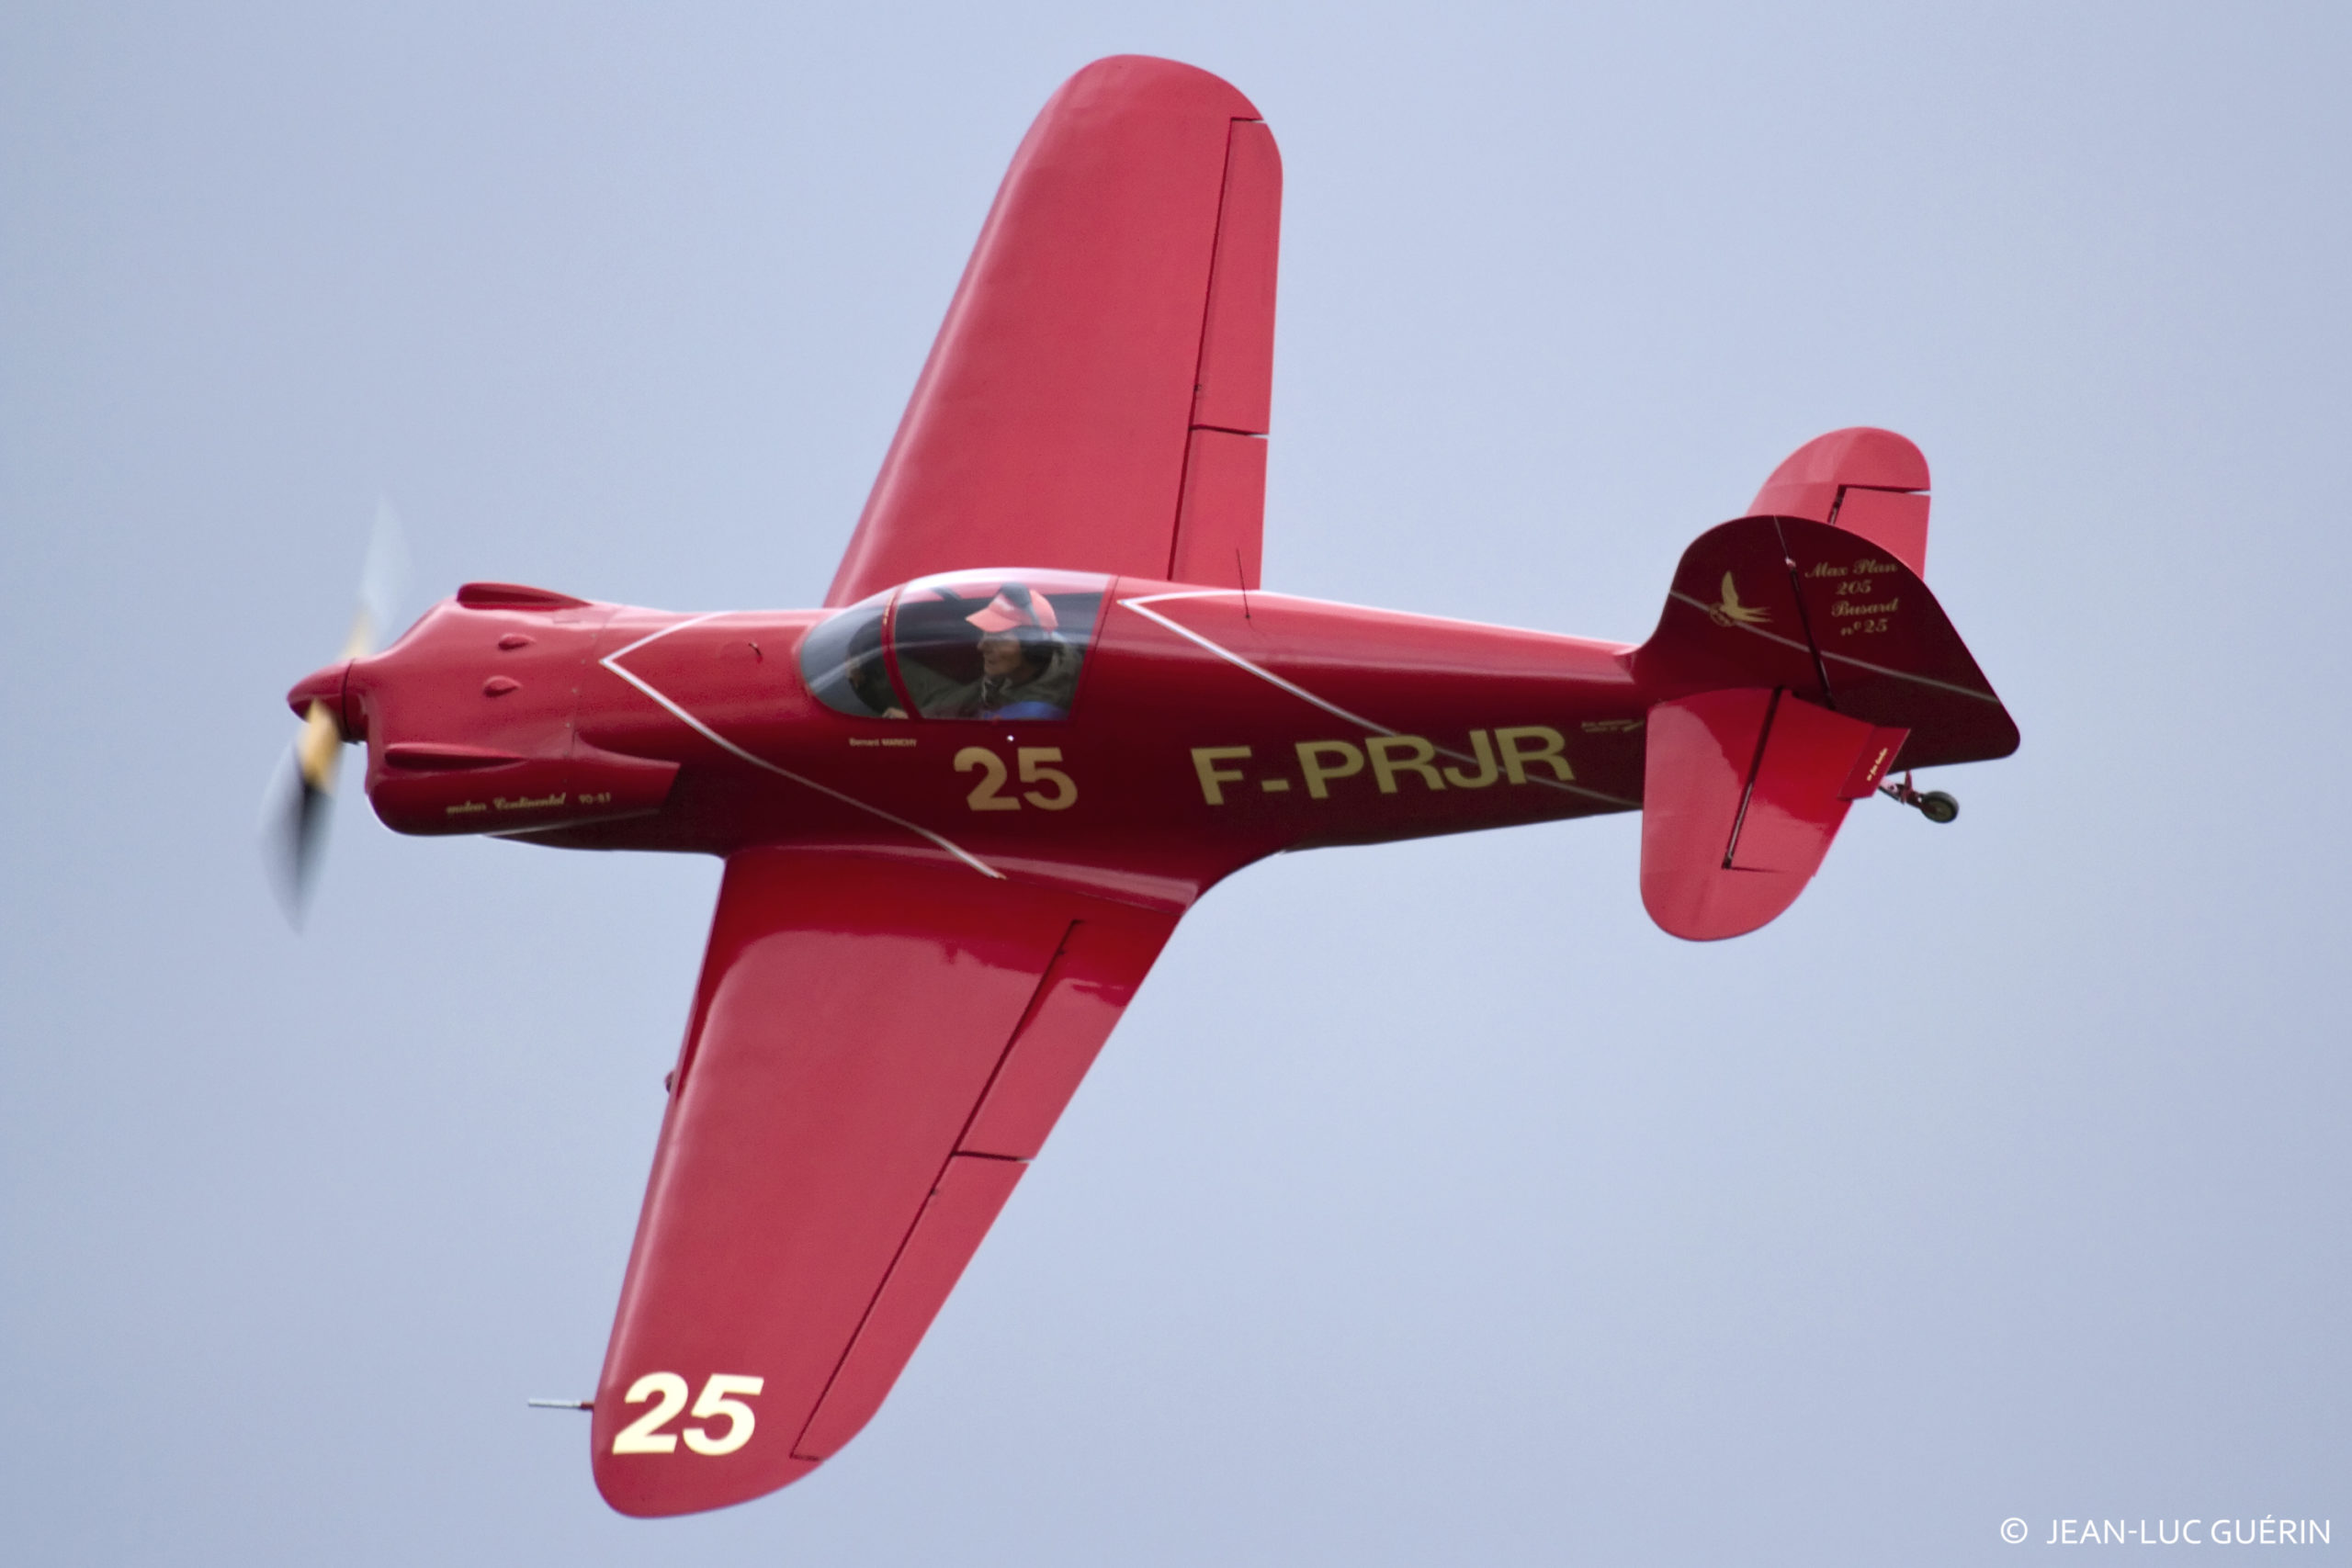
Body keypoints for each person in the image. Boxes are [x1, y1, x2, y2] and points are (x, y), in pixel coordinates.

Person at [921, 584, 1079, 719]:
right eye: (986, 633)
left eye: (998, 638)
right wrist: (923, 716)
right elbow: (971, 695)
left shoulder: (1033, 716)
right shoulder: (1019, 669)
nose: (981, 646)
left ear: (1032, 647)